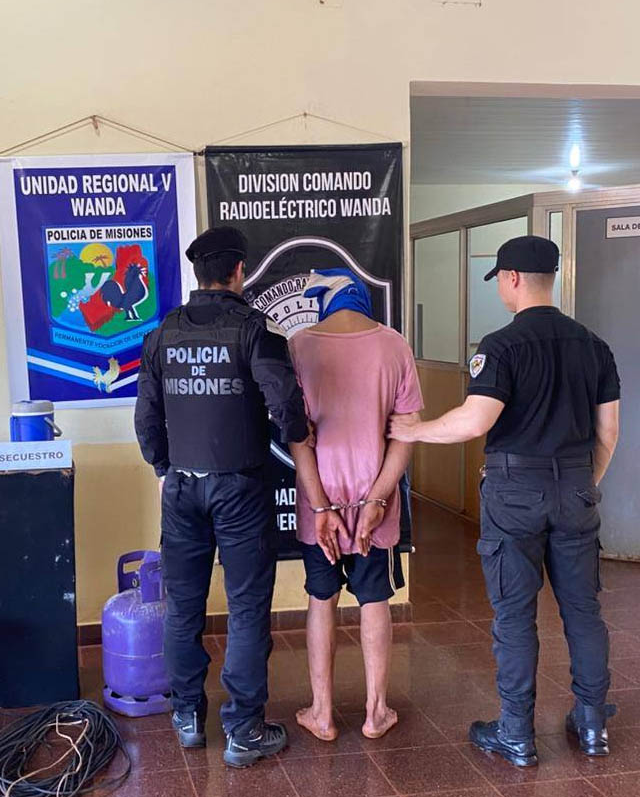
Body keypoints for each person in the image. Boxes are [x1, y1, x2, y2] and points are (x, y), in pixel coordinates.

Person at [390, 236, 620, 767]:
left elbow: (475, 420)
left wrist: (415, 430)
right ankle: (591, 725)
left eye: (500, 281)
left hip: (515, 491)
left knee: (515, 614)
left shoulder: (501, 345)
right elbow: (608, 432)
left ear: (512, 279)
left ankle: (516, 732)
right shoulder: (594, 346)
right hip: (576, 485)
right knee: (583, 611)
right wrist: (582, 483)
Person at [134, 226, 309, 768]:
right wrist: (296, 432)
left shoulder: (163, 334)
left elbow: (146, 417)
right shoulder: (253, 330)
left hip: (181, 488)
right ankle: (244, 729)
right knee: (247, 606)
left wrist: (162, 468)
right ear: (238, 271)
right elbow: (286, 403)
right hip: (239, 488)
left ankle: (187, 716)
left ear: (198, 273)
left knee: (183, 607)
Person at [288, 269, 423, 741]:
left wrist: (320, 506)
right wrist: (378, 498)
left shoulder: (299, 347)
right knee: (374, 600)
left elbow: (297, 436)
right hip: (374, 504)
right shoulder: (395, 346)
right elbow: (406, 433)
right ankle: (375, 712)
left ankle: (322, 713)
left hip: (319, 504)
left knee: (320, 598)